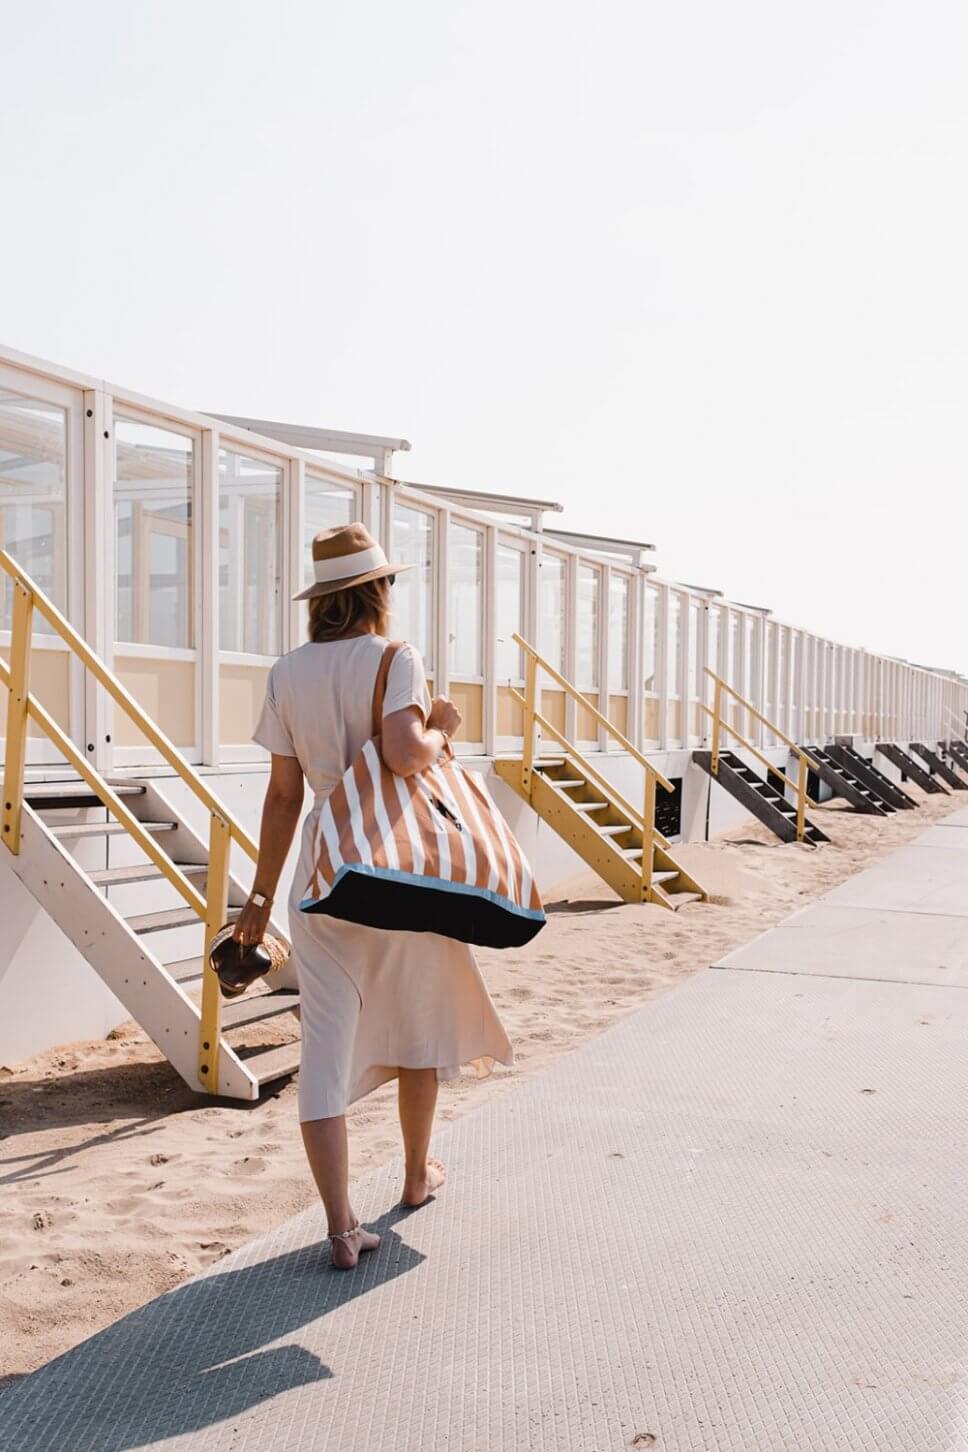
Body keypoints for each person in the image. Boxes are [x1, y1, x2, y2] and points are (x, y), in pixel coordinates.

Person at [232, 523, 513, 1269]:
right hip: (397, 867)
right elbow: (402, 752)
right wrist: (442, 729)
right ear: (377, 592)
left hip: (322, 875)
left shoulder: (287, 672)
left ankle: (340, 1228)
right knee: (418, 1028)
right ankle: (417, 1174)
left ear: (321, 598)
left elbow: (283, 796)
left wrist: (260, 898)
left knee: (324, 1051)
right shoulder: (396, 658)